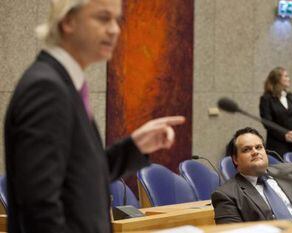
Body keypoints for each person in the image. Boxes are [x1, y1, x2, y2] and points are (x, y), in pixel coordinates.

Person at [4, 1, 185, 233]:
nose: (115, 29)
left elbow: (81, 177)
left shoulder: (65, 84)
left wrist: (135, 146)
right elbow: (39, 208)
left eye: (117, 20)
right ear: (68, 21)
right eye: (103, 18)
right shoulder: (46, 89)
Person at [211, 127, 292, 224]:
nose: (255, 152)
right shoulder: (226, 195)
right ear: (235, 159)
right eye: (247, 149)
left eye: (259, 147)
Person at [259, 67, 292, 157]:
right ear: (277, 79)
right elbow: (268, 123)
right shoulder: (266, 99)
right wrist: (285, 136)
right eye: (286, 76)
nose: (289, 79)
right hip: (277, 145)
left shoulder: (291, 96)